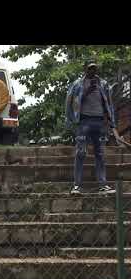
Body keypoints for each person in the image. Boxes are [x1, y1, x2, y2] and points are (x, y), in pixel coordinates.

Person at [66, 61, 119, 195]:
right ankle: (77, 186)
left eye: (94, 68)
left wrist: (111, 121)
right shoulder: (78, 84)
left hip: (100, 123)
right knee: (80, 153)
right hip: (83, 122)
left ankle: (102, 185)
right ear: (85, 69)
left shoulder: (103, 84)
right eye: (90, 68)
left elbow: (108, 102)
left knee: (100, 154)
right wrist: (86, 92)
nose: (92, 71)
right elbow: (70, 102)